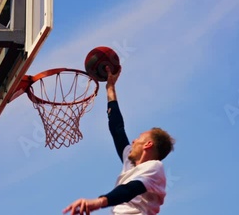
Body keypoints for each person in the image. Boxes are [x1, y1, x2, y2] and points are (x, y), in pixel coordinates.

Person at [62, 66, 175, 215]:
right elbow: (117, 129)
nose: (133, 141)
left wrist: (98, 202)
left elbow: (131, 189)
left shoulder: (155, 167)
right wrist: (110, 88)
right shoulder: (131, 163)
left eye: (139, 138)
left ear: (148, 144)